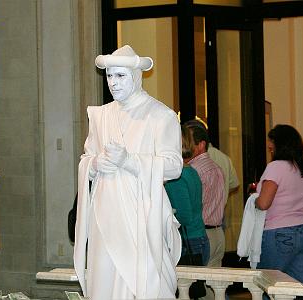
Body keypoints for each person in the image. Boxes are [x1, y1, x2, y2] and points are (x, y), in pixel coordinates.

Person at [74, 45, 183, 300]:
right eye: (109, 76)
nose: (113, 82)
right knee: (104, 282)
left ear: (136, 76)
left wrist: (130, 161)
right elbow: (86, 159)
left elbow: (174, 165)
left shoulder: (160, 115)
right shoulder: (100, 116)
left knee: (142, 283)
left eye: (120, 76)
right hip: (104, 215)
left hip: (140, 216)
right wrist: (95, 164)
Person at [255, 124, 303, 287]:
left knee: (269, 286)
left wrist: (254, 199)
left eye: (271, 141)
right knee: (298, 288)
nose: (269, 145)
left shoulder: (276, 167)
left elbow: (264, 203)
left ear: (281, 144)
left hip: (279, 233)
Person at [165, 125, 210, 266]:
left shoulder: (177, 176)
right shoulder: (191, 171)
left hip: (188, 241)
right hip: (198, 237)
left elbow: (184, 216)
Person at [184, 119, 239, 229]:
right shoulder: (225, 158)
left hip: (200, 225)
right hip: (218, 220)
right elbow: (234, 185)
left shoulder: (193, 163)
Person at [185, 124, 226, 268]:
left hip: (201, 234)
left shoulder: (193, 170)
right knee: (214, 285)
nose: (184, 145)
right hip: (218, 233)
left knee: (196, 285)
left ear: (201, 144)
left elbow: (191, 207)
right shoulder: (217, 167)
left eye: (188, 141)